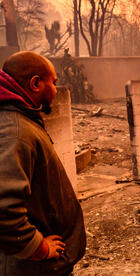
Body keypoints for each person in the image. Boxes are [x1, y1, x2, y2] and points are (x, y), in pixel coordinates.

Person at [0, 51, 86, 276]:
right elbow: (4, 210)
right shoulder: (16, 132)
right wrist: (39, 247)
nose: (56, 91)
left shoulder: (20, 121)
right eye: (54, 83)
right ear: (36, 83)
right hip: (33, 269)